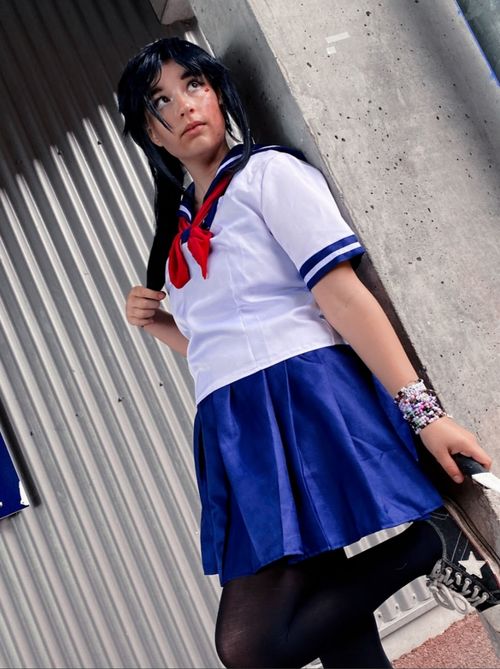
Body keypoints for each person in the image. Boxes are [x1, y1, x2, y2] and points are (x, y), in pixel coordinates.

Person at [118, 37, 499, 668]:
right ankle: (432, 546)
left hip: (293, 397)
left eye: (193, 84)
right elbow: (226, 346)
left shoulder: (269, 175)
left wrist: (425, 415)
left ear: (218, 93)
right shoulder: (182, 226)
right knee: (339, 638)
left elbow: (341, 298)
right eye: (160, 101)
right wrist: (163, 326)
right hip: (234, 421)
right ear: (150, 133)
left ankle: (432, 544)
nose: (183, 105)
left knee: (250, 646)